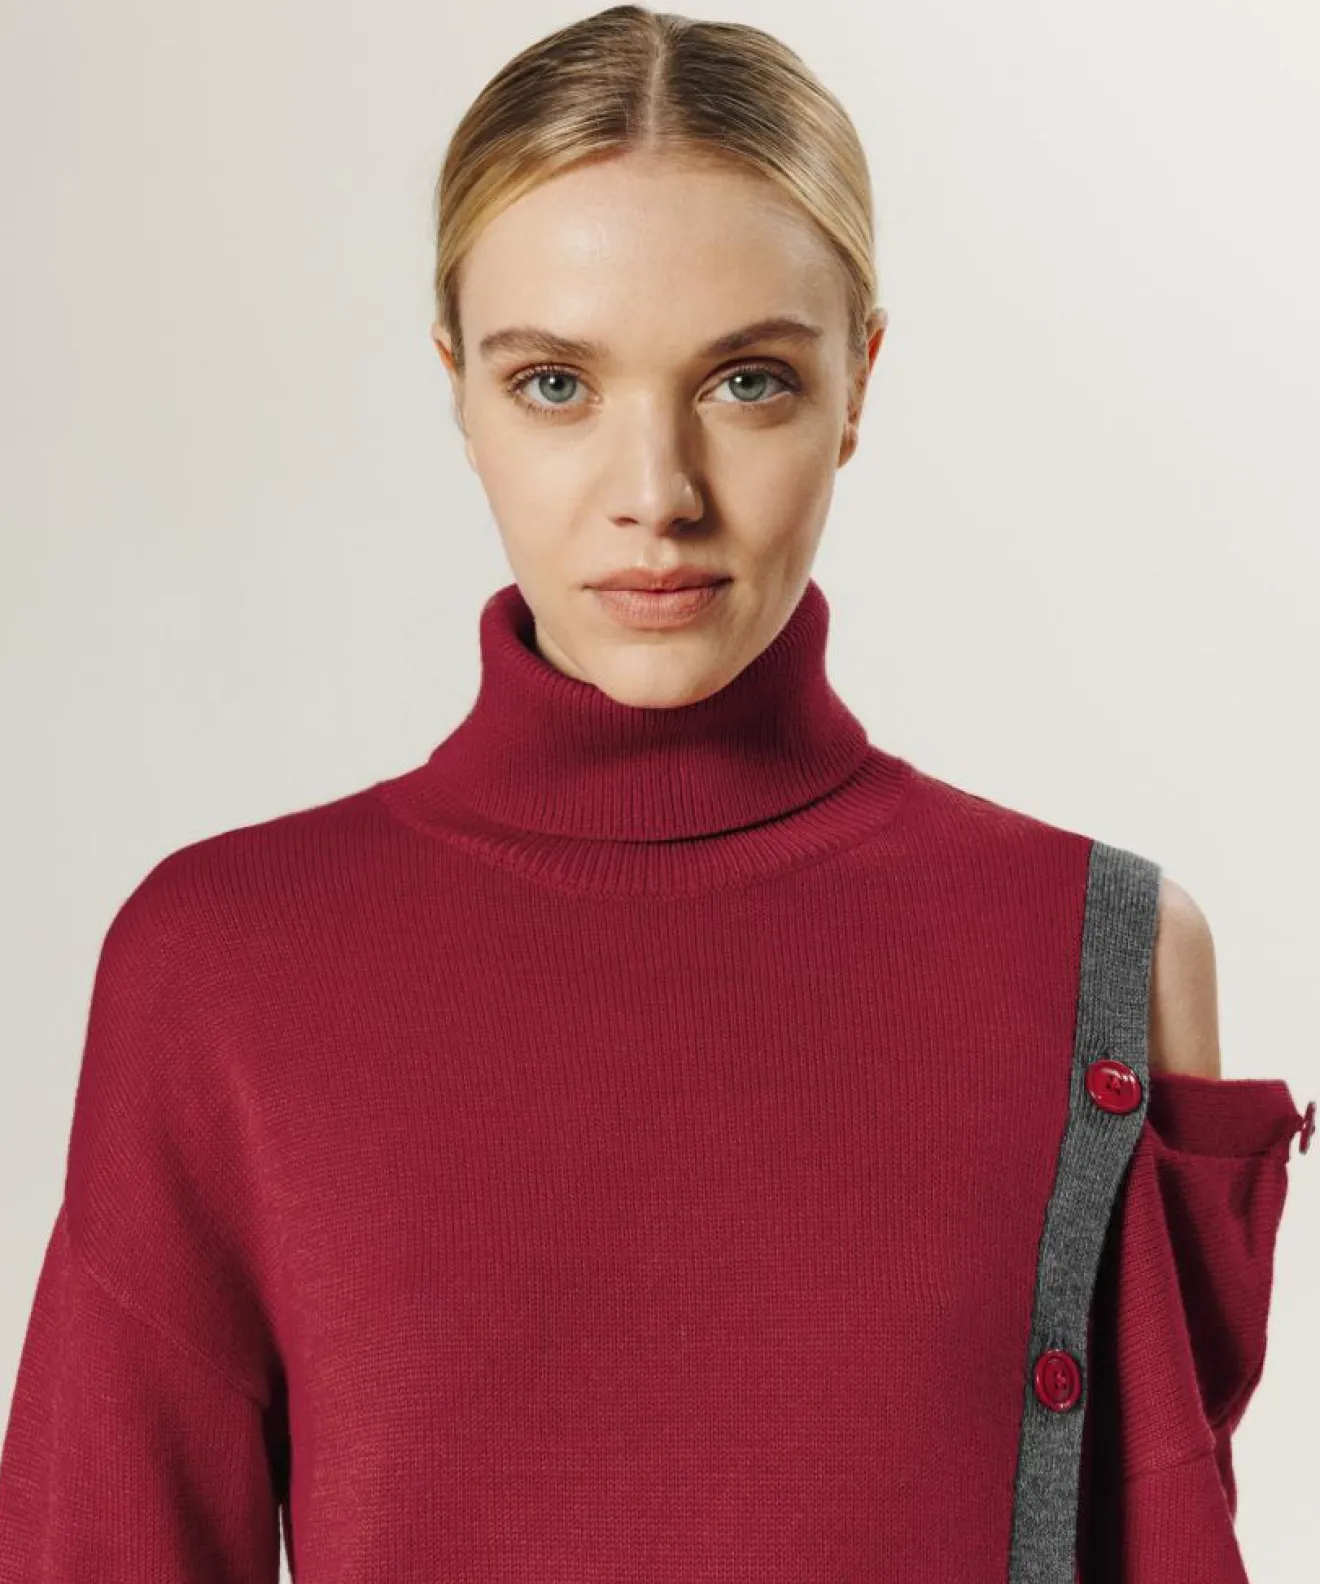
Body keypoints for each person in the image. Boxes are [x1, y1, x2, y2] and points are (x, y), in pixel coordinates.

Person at [1, 6, 1313, 1580]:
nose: (656, 494)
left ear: (858, 383)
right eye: (556, 383)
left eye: (747, 380)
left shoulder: (1104, 951)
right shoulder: (221, 964)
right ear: (458, 388)